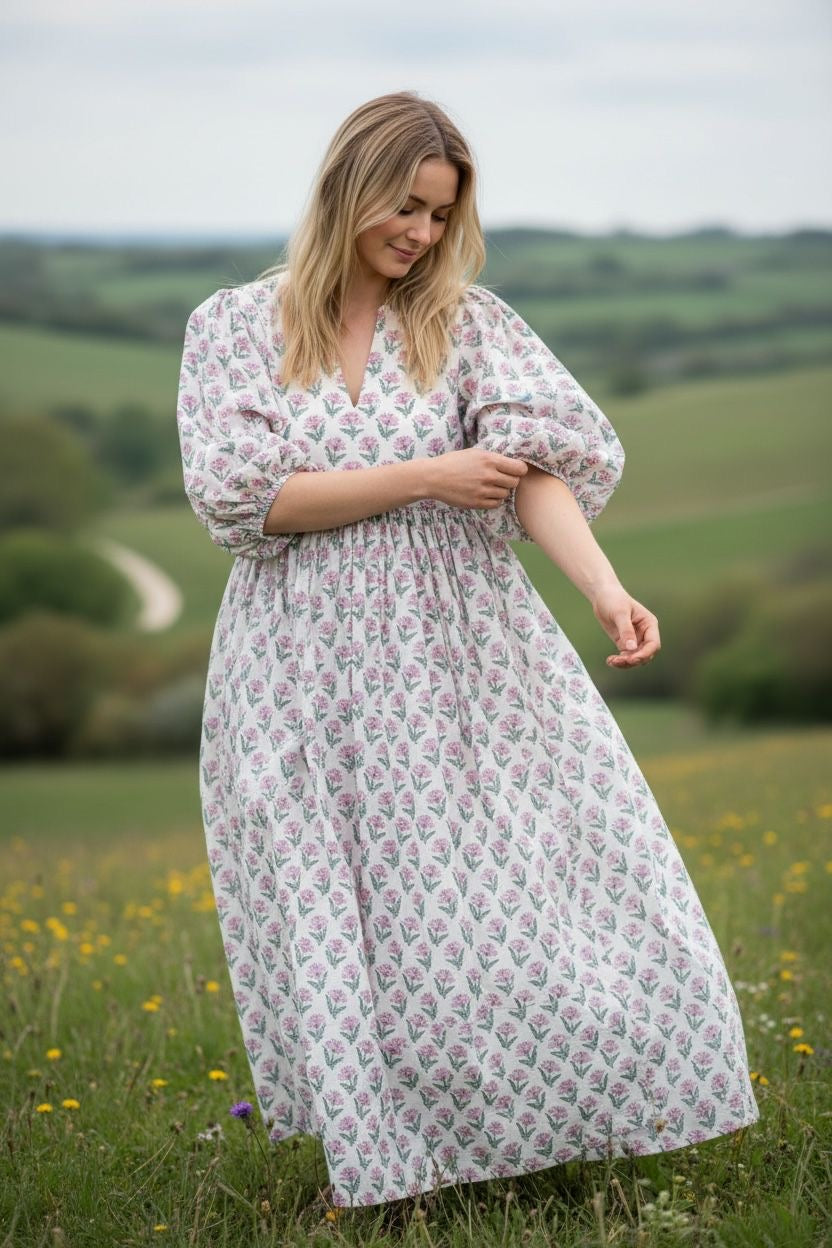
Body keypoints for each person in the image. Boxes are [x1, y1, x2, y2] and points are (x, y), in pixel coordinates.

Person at [176, 90, 759, 1210]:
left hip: (464, 654)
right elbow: (248, 500)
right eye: (406, 206)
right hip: (300, 666)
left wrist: (605, 590)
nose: (422, 234)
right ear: (349, 188)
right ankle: (384, 1169)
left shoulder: (467, 324)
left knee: (529, 886)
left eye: (441, 215)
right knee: (346, 905)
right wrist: (424, 476)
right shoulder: (236, 326)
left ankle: (554, 1126)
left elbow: (531, 470)